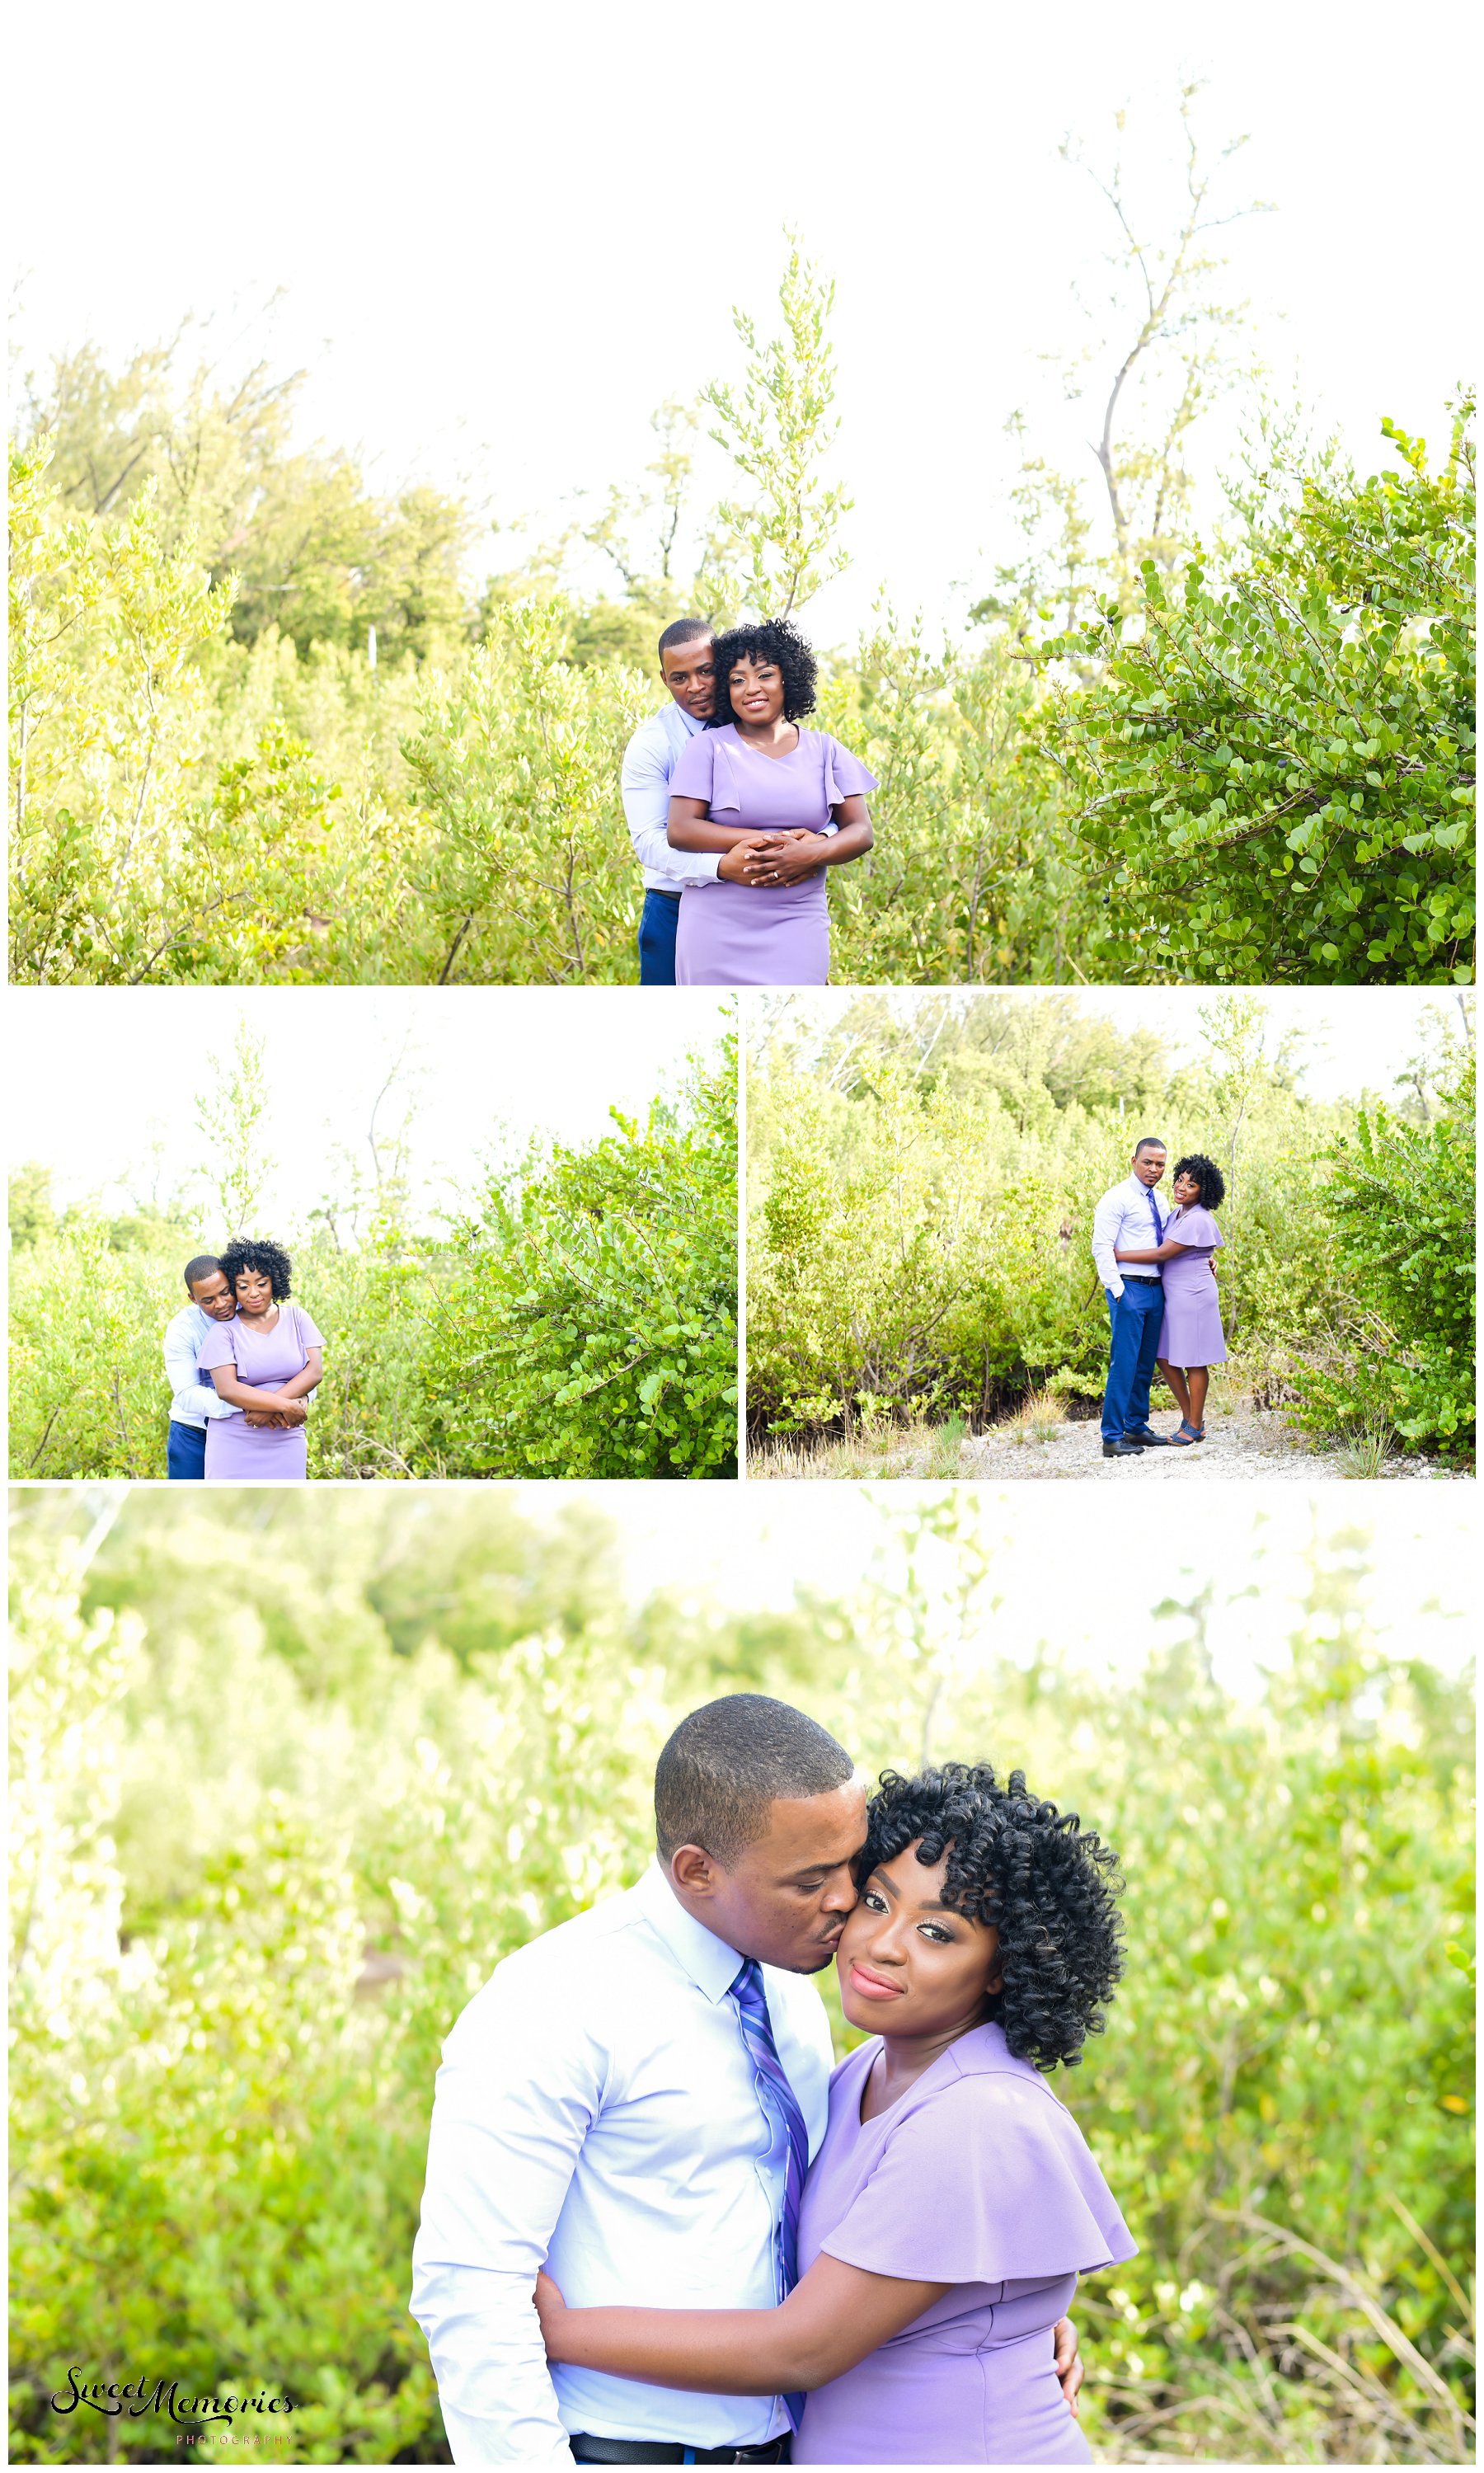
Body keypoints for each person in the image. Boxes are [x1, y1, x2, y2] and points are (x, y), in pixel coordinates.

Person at [410, 1696, 1083, 2465]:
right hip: (623, 2449)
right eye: (812, 1880)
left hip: (792, 2446)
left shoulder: (793, 1990)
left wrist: (995, 2316)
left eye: (853, 1866)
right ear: (697, 1870)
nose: (845, 1904)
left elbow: (855, 2216)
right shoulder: (555, 2003)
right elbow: (472, 2291)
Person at [535, 1762, 1132, 2466]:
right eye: (877, 1902)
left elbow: (803, 2347)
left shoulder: (975, 2113)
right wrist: (1014, 2319)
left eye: (938, 1933)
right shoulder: (865, 2072)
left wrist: (559, 2331)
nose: (883, 1942)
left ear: (1005, 1968)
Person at [666, 620, 876, 985]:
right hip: (716, 928)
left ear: (788, 678)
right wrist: (781, 843)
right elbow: (681, 829)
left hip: (797, 921)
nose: (751, 689)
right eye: (737, 680)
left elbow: (861, 832)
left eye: (764, 674)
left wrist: (811, 853)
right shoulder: (709, 747)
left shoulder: (825, 750)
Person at [621, 622, 789, 985]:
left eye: (706, 671)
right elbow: (649, 842)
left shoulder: (761, 721)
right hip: (675, 910)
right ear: (664, 679)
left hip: (763, 909)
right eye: (679, 678)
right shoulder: (651, 744)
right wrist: (720, 868)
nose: (694, 687)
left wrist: (817, 841)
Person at [1113, 1153, 1228, 1446]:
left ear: (1204, 1191)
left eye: (1191, 1185)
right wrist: (1209, 1258)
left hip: (1194, 1295)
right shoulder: (1177, 1213)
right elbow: (1189, 1249)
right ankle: (1192, 1419)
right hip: (1174, 1295)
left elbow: (1163, 1253)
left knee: (1194, 1360)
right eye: (1180, 1179)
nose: (1181, 1186)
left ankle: (1195, 1423)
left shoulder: (1199, 1217)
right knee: (1164, 1357)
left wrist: (1118, 1255)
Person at [195, 1238, 324, 1481]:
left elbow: (314, 1372)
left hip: (286, 1437)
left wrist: (270, 1408)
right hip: (233, 1440)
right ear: (234, 1289)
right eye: (243, 1286)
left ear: (275, 1281)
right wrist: (285, 1405)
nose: (253, 1293)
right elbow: (226, 1389)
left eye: (262, 1284)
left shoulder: (298, 1318)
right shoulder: (223, 1331)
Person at [1091, 1139, 1174, 1460]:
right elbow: (1102, 1248)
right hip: (1129, 1288)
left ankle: (1136, 1426)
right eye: (1148, 1162)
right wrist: (1118, 1291)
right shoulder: (1116, 1198)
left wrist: (1204, 1259)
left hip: (1156, 1288)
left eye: (1160, 1164)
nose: (1154, 1169)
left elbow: (1171, 1242)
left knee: (1144, 1362)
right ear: (1134, 1161)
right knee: (1124, 1363)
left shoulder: (1162, 1200)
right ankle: (1112, 1437)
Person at [162, 1253, 246, 1479]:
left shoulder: (258, 1312)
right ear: (192, 1298)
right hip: (194, 1436)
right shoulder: (182, 1328)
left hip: (252, 1435)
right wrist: (257, 1404)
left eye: (225, 1292)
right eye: (208, 1300)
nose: (221, 1304)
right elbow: (187, 1394)